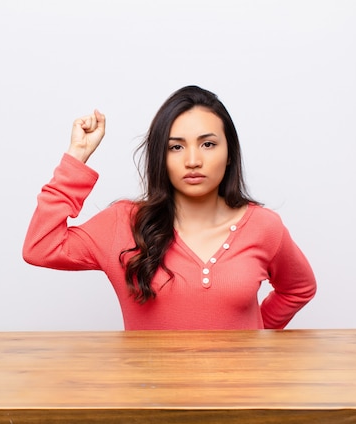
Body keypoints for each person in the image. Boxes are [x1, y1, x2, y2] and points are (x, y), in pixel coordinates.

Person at [22, 85, 316, 330]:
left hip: (239, 396)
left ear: (229, 154)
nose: (192, 160)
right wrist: (77, 158)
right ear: (159, 157)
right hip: (151, 397)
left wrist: (256, 333)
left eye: (208, 144)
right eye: (176, 147)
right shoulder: (122, 223)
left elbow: (299, 288)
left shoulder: (264, 226)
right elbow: (40, 247)